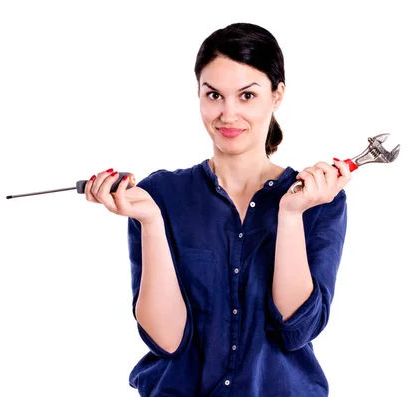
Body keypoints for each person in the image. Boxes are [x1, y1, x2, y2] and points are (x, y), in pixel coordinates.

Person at [84, 22, 350, 397]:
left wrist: (289, 217)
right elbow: (167, 342)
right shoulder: (159, 196)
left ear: (277, 96)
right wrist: (151, 223)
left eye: (246, 96)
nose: (227, 114)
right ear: (198, 95)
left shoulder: (318, 200)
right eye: (213, 95)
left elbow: (296, 330)